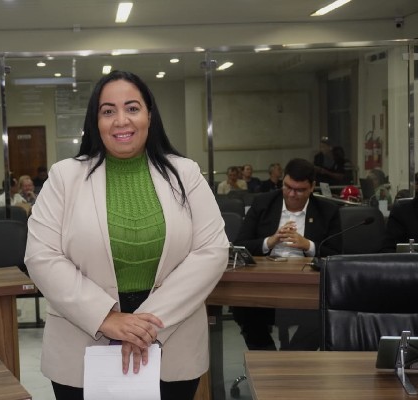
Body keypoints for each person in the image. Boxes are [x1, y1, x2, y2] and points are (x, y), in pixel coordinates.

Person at [24, 70, 229, 400]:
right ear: (96, 122)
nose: (121, 120)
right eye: (108, 111)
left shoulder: (185, 173)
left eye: (132, 108)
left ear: (149, 115)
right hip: (83, 342)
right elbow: (41, 256)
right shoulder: (65, 177)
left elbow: (212, 251)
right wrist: (106, 318)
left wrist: (145, 325)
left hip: (171, 338)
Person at [233, 158, 341, 351]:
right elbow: (240, 244)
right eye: (288, 187)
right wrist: (270, 241)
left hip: (307, 285)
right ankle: (266, 354)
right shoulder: (263, 203)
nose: (292, 194)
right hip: (265, 281)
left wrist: (307, 245)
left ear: (312, 187)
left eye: (299, 190)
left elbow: (337, 254)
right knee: (241, 305)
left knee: (326, 311)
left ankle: (292, 356)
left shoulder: (327, 211)